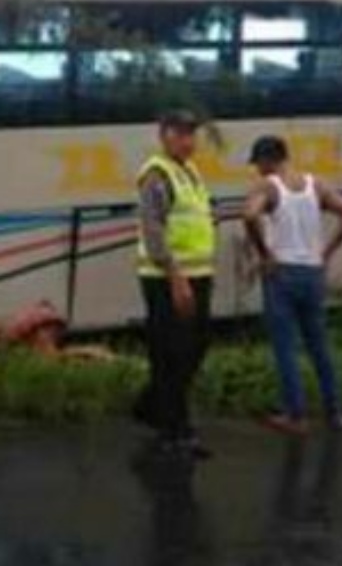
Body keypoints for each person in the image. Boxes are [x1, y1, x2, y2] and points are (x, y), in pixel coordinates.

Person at [242, 135, 342, 435]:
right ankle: (336, 414)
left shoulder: (268, 186)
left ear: (269, 160)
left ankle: (296, 416)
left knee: (286, 348)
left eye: (258, 163)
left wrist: (265, 254)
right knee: (319, 345)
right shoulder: (314, 184)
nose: (257, 170)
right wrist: (326, 252)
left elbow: (249, 215)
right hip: (312, 273)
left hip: (282, 274)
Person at [132, 109, 218, 460]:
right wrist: (176, 277)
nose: (188, 141)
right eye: (181, 134)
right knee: (172, 354)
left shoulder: (190, 172)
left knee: (195, 347)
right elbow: (153, 231)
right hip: (167, 278)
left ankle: (151, 406)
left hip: (197, 274)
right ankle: (177, 431)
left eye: (191, 134)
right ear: (164, 135)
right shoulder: (157, 175)